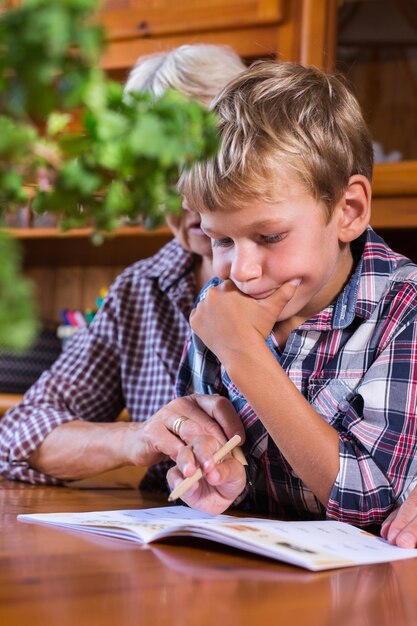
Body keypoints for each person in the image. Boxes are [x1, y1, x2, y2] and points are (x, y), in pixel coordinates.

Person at [166, 60, 417, 528]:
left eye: (270, 237)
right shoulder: (221, 307)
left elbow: (373, 503)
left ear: (349, 210)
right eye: (221, 240)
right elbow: (209, 472)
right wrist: (217, 478)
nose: (241, 270)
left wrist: (244, 356)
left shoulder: (404, 309)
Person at [0, 44, 246, 488]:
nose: (185, 194)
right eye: (162, 173)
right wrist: (137, 438)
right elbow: (19, 431)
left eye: (205, 161)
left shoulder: (313, 274)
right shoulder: (139, 291)